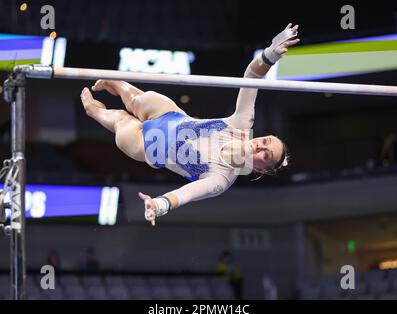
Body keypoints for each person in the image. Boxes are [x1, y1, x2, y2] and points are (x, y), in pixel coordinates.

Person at [80, 23, 300, 226]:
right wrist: (270, 54)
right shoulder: (241, 125)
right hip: (170, 115)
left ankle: (94, 108)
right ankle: (118, 85)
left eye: (266, 155)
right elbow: (251, 76)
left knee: (118, 116)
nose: (261, 146)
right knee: (139, 100)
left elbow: (184, 194)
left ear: (262, 169)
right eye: (266, 141)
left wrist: (159, 205)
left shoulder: (219, 178)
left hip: (146, 145)